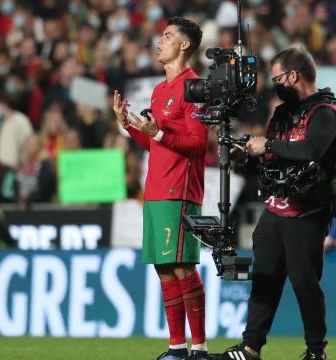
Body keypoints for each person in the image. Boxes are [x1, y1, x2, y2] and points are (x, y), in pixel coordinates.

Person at [217, 47, 336, 360]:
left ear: (294, 75)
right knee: (263, 281)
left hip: (308, 211)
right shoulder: (281, 113)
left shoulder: (325, 111)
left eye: (278, 76)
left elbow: (312, 150)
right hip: (276, 208)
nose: (274, 84)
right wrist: (246, 157)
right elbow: (271, 164)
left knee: (305, 284)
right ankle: (250, 347)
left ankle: (316, 352)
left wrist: (267, 144)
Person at [113, 17, 209, 360]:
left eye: (168, 36)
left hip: (180, 190)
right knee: (164, 267)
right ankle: (176, 347)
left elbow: (198, 144)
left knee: (183, 266)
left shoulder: (195, 87)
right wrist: (128, 124)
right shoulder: (159, 90)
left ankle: (199, 348)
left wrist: (157, 133)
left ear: (184, 45)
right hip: (155, 189)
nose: (160, 41)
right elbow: (156, 143)